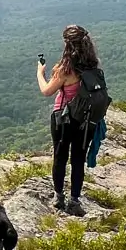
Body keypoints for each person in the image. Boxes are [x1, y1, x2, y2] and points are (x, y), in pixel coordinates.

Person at [37, 24, 103, 215]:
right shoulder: (93, 65)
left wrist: (40, 73)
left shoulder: (65, 69)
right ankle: (75, 200)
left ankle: (59, 197)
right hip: (86, 119)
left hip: (64, 119)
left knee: (60, 157)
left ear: (67, 45)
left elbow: (47, 91)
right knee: (78, 159)